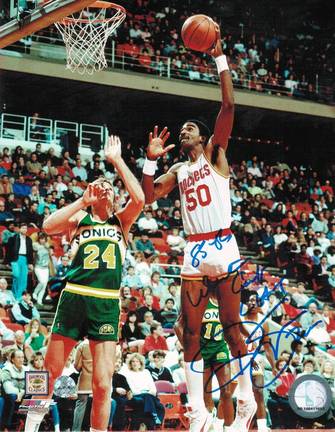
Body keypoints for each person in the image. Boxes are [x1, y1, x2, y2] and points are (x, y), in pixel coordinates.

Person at [142, 24, 256, 431]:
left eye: (191, 127)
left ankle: (245, 399)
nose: (184, 129)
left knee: (231, 327)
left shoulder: (215, 154)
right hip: (194, 249)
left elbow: (227, 108)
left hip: (223, 246)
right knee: (190, 334)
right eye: (184, 128)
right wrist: (151, 160)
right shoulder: (177, 168)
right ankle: (198, 410)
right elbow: (149, 196)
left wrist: (219, 56)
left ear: (204, 136)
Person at [24, 135, 145, 432]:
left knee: (103, 384)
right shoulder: (80, 218)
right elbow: (48, 225)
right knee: (47, 372)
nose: (104, 189)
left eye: (109, 187)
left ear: (116, 197)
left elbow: (140, 198)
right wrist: (82, 199)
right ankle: (29, 425)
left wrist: (116, 161)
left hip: (105, 302)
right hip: (74, 297)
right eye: (98, 186)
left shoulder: (122, 222)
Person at [242, 294, 276, 432]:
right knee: (240, 394)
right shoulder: (240, 319)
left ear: (260, 305)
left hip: (255, 358)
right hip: (239, 358)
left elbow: (267, 347)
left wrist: (274, 366)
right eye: (250, 300)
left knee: (259, 390)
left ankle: (262, 426)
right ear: (246, 304)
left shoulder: (264, 322)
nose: (253, 303)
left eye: (255, 301)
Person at [6, 223, 34, 300]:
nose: (24, 229)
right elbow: (8, 250)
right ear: (19, 229)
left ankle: (19, 296)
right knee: (16, 275)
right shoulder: (13, 238)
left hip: (24, 259)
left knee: (24, 278)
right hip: (15, 258)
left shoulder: (29, 239)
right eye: (23, 228)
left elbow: (30, 252)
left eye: (25, 228)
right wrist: (7, 262)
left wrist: (30, 263)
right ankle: (14, 294)